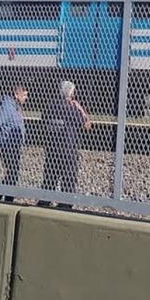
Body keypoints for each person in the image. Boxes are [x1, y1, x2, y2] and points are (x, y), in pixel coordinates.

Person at [38, 80, 91, 209]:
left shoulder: (50, 106)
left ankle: (45, 201)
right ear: (70, 94)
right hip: (69, 149)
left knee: (50, 176)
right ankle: (65, 204)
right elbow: (87, 124)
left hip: (52, 148)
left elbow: (43, 121)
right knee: (68, 178)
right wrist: (79, 108)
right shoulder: (72, 108)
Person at [0, 85, 29, 202]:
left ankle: (0, 195)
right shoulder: (7, 107)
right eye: (24, 95)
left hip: (14, 145)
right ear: (16, 95)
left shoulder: (16, 107)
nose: (26, 98)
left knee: (12, 171)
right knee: (13, 171)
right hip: (7, 144)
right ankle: (6, 197)